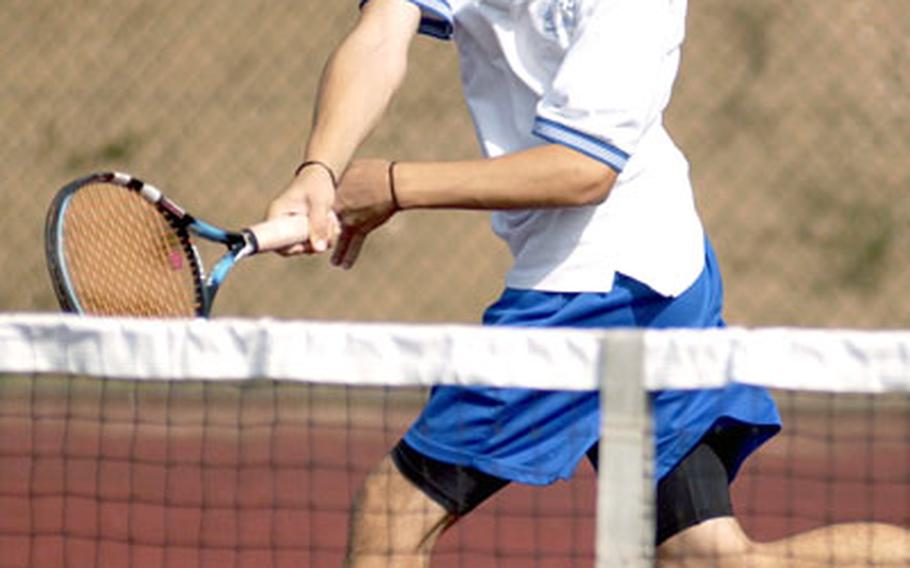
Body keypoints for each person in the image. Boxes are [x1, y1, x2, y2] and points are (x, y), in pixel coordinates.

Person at [264, 1, 910, 566]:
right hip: (659, 271)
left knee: (392, 519)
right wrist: (321, 167)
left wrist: (396, 186)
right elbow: (381, 34)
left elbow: (582, 171)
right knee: (705, 558)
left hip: (603, 284)